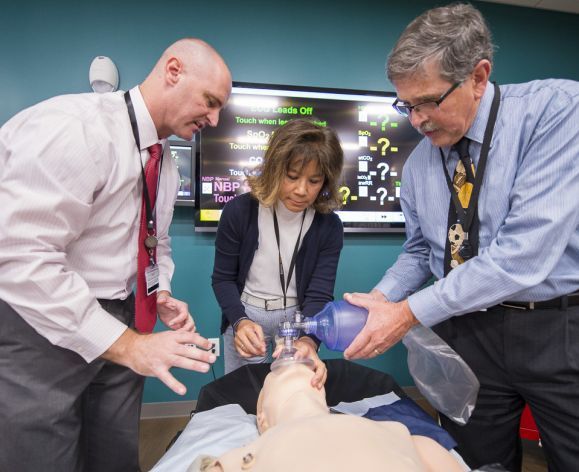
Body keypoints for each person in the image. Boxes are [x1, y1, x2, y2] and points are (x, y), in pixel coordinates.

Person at [341, 4, 579, 471]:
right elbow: (419, 252)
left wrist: (405, 315)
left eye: (429, 101)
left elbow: (521, 258)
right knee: (470, 459)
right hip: (464, 328)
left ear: (478, 76)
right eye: (407, 105)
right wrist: (379, 302)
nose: (418, 120)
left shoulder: (555, 112)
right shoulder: (419, 165)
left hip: (552, 329)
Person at [0, 38, 232, 471]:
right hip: (43, 323)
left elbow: (154, 242)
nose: (215, 119)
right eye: (211, 101)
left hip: (126, 316)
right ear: (174, 71)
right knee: (42, 456)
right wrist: (127, 346)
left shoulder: (164, 163)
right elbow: (21, 255)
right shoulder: (73, 129)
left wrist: (158, 294)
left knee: (114, 455)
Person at [212, 119, 344, 389]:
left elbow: (320, 293)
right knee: (242, 396)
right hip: (247, 314)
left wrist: (308, 339)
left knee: (290, 396)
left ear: (326, 181)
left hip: (299, 319)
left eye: (314, 181)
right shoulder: (240, 212)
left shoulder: (329, 226)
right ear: (274, 169)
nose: (301, 190)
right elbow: (223, 279)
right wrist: (239, 322)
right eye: (292, 177)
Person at [188, 361, 466, 472]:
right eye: (277, 373)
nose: (292, 362)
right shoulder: (246, 454)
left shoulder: (399, 432)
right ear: (262, 419)